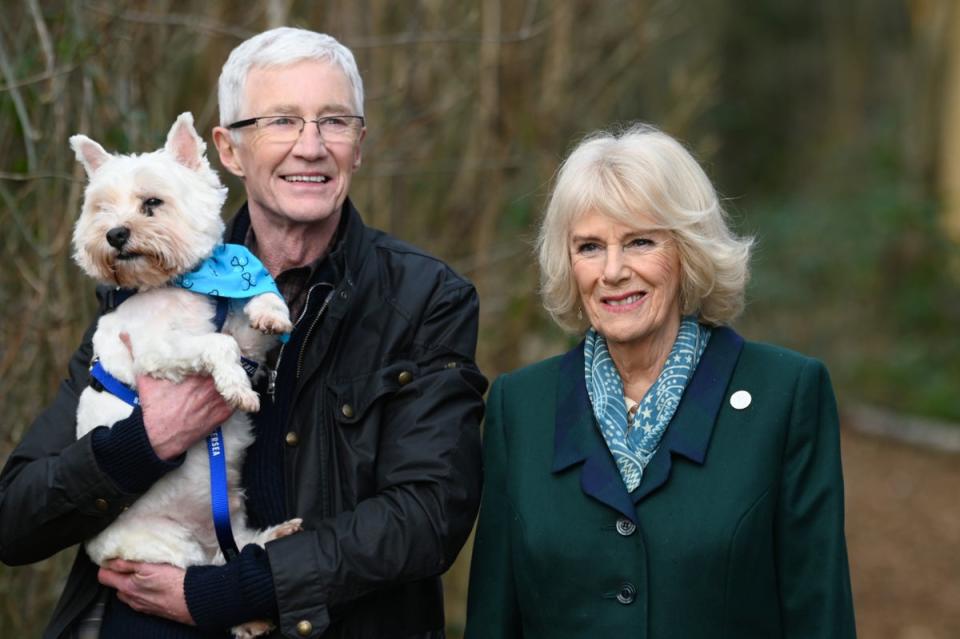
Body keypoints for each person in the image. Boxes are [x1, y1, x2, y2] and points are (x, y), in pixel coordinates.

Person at [0, 27, 486, 638]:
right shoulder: (147, 289)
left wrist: (229, 590)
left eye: (334, 121)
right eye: (281, 121)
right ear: (228, 151)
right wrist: (145, 441)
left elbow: (429, 514)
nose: (310, 147)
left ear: (358, 145)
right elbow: (17, 519)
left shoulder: (423, 300)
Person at [464, 124, 857, 638]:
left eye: (639, 241)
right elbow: (494, 620)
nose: (612, 271)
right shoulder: (522, 408)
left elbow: (820, 616)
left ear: (687, 251)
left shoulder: (785, 396)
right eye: (588, 247)